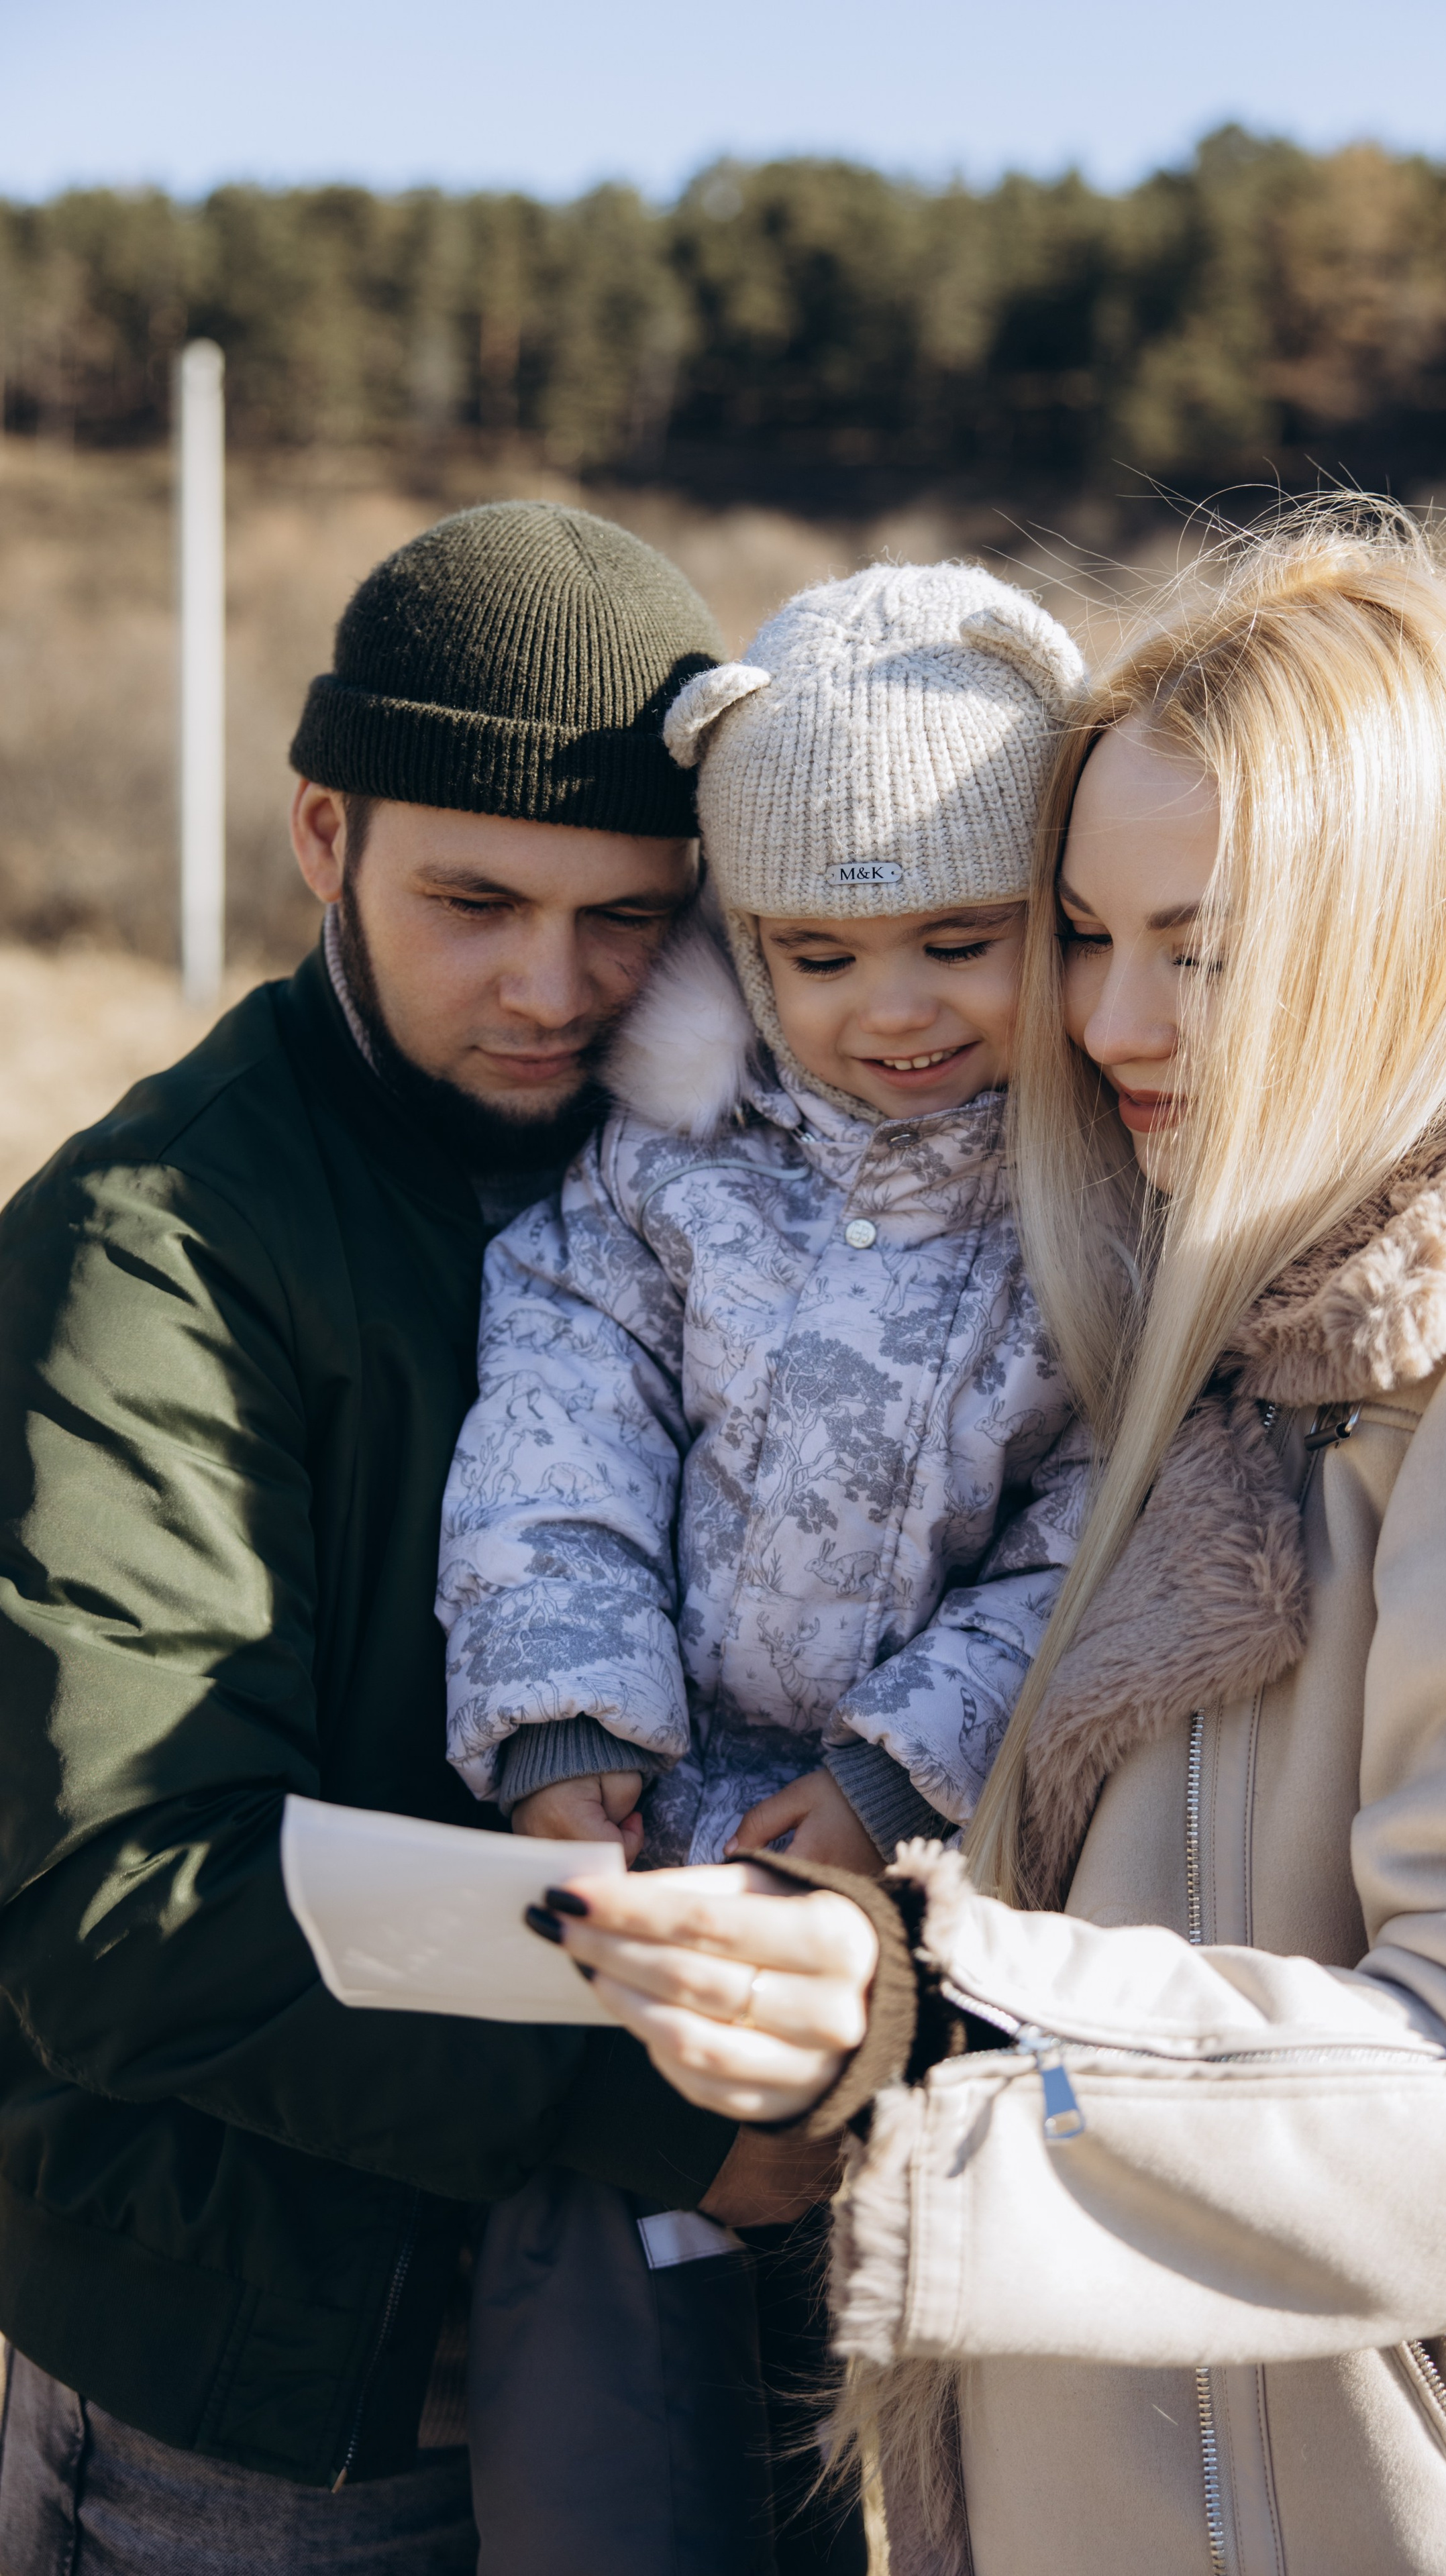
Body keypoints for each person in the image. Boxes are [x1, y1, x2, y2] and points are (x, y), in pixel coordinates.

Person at [519, 502, 1446, 2575]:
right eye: (1085, 931)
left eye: (1205, 946)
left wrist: (937, 2019)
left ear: (1405, 926)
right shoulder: (1219, 1286)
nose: (1109, 1023)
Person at [0, 500, 826, 2576]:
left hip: (710, 2348)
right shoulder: (155, 1247)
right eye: (474, 900)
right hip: (290, 2410)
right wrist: (657, 2108)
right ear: (319, 835)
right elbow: (119, 1894)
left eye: (626, 915)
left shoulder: (728, 1186)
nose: (549, 989)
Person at [441, 561, 1089, 2573]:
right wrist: (560, 1701)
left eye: (957, 945)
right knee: (611, 2438)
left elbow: (1115, 1531)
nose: (887, 1010)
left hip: (965, 1912)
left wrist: (909, 1764)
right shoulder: (665, 1175)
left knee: (955, 2444)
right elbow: (558, 1434)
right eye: (815, 956)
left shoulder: (1107, 1206)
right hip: (670, 1876)